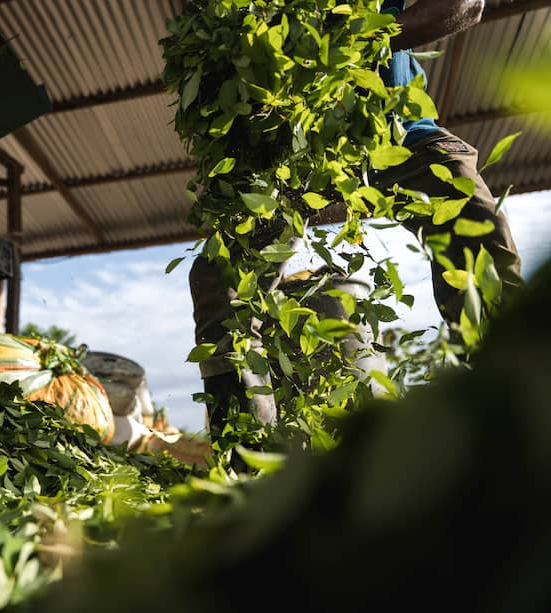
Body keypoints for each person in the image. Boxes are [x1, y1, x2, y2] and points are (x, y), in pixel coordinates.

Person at [189, 0, 523, 436]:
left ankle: (511, 424)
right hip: (291, 150)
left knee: (477, 237)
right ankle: (244, 452)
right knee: (221, 279)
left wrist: (354, 42)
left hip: (397, 131)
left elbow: (465, 5)